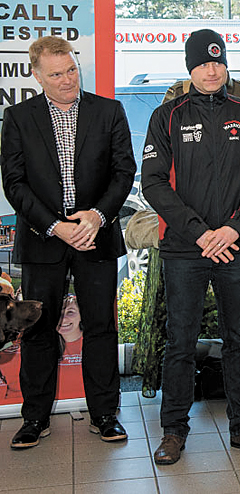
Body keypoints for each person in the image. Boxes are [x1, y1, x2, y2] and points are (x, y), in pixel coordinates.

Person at [142, 29, 240, 464]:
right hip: (185, 248)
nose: (212, 69)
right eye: (202, 63)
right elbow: (154, 184)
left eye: (218, 61)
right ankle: (173, 430)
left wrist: (234, 228)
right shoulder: (167, 116)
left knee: (238, 340)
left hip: (239, 245)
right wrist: (201, 233)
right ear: (190, 68)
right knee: (180, 341)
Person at [1, 35, 136, 449]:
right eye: (56, 74)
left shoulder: (108, 111)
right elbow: (15, 183)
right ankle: (35, 418)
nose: (67, 80)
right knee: (39, 329)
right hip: (44, 239)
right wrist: (54, 226)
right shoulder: (19, 117)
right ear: (37, 75)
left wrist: (96, 217)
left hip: (96, 235)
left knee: (100, 325)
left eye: (72, 70)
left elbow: (123, 171)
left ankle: (105, 414)